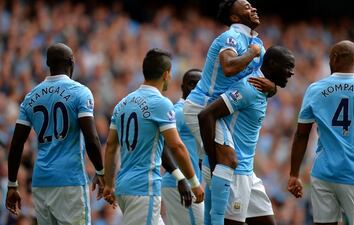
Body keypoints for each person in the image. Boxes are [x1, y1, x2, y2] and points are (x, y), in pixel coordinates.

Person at [183, 1, 276, 224]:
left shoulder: (257, 43)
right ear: (234, 18)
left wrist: (273, 87)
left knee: (220, 165)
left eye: (253, 5)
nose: (253, 8)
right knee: (227, 160)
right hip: (202, 106)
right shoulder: (230, 37)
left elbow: (267, 80)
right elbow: (229, 67)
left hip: (219, 112)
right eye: (246, 7)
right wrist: (252, 53)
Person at [288, 40, 354, 225]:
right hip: (353, 173)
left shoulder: (315, 90)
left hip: (322, 174)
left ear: (333, 58)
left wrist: (294, 174)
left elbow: (301, 134)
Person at [102, 49, 204, 225]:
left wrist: (109, 184)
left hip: (124, 186)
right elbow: (177, 146)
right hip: (144, 188)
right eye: (170, 74)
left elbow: (111, 145)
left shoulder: (122, 104)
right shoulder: (161, 103)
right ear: (166, 74)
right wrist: (194, 182)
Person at [6, 43, 104, 225]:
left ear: (48, 65)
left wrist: (12, 184)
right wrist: (100, 171)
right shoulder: (80, 92)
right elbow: (92, 138)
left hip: (41, 182)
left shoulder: (31, 97)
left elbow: (16, 144)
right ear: (71, 63)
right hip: (70, 180)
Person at [198, 46, 295, 225]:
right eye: (288, 67)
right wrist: (214, 162)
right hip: (235, 174)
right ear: (272, 64)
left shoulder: (263, 86)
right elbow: (206, 115)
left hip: (248, 172)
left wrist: (273, 89)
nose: (292, 73)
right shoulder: (249, 88)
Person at [161, 69, 204, 225]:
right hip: (181, 184)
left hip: (187, 184)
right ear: (182, 86)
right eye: (191, 83)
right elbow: (164, 146)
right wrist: (181, 179)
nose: (194, 87)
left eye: (199, 84)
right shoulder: (179, 112)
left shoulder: (196, 113)